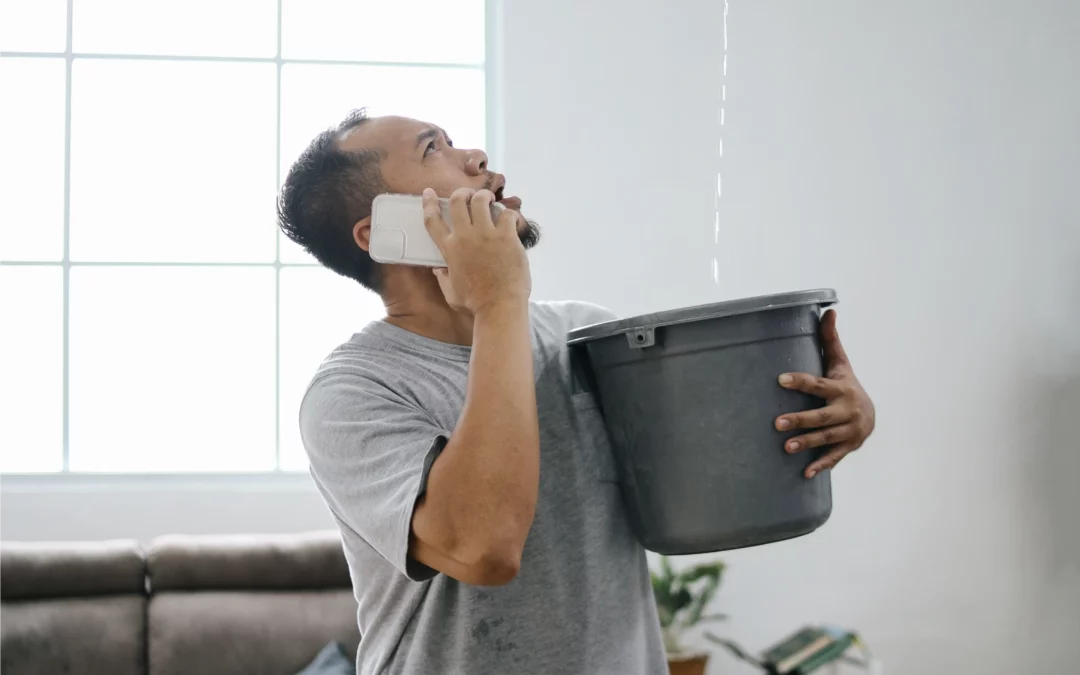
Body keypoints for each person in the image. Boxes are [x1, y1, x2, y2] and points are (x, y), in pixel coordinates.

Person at [277, 109, 876, 675]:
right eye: (434, 148)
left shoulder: (581, 335)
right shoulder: (349, 394)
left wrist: (831, 416)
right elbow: (484, 548)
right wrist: (499, 302)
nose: (475, 155)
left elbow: (706, 481)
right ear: (381, 232)